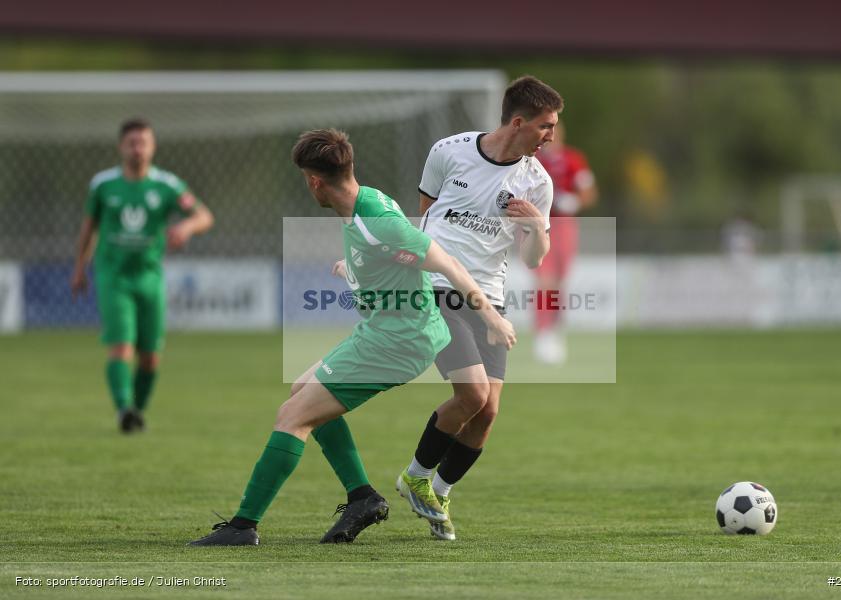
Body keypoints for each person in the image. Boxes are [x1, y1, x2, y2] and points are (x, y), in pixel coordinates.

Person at [189, 128, 516, 546]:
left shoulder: (375, 220)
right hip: (387, 330)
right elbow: (387, 254)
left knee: (292, 418)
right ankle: (361, 497)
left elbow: (445, 261)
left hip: (397, 340)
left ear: (314, 181)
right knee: (301, 391)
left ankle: (242, 526)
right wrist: (354, 267)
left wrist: (491, 317)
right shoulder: (366, 202)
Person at [395, 76, 562, 541]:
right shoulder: (449, 151)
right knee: (472, 396)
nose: (551, 134)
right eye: (546, 126)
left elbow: (534, 259)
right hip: (438, 286)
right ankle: (413, 477)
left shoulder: (538, 182)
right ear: (518, 122)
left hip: (491, 296)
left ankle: (439, 494)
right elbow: (426, 214)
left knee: (487, 414)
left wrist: (537, 229)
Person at [71, 118, 214, 433]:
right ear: (121, 147)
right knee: (122, 346)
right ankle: (123, 409)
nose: (138, 149)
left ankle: (136, 411)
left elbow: (204, 216)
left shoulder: (167, 185)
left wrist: (187, 227)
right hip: (113, 276)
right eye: (132, 143)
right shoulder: (103, 185)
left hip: (150, 278)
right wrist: (80, 267)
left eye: (143, 143)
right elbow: (88, 229)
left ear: (153, 147)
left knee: (150, 357)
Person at [533, 120, 598, 364]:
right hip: (538, 225)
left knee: (559, 283)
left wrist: (575, 201)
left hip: (565, 226)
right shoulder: (533, 160)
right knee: (544, 280)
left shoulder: (573, 159)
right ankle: (543, 333)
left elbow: (589, 192)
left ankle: (555, 330)